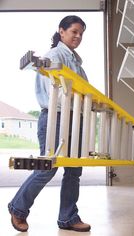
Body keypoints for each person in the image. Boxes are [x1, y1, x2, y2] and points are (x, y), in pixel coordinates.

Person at [8, 15, 91, 232]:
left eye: (81, 33)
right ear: (61, 31)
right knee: (47, 168)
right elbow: (57, 94)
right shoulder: (53, 56)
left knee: (74, 171)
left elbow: (84, 93)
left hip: (75, 119)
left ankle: (68, 218)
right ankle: (18, 208)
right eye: (74, 31)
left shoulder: (77, 63)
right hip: (55, 117)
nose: (78, 36)